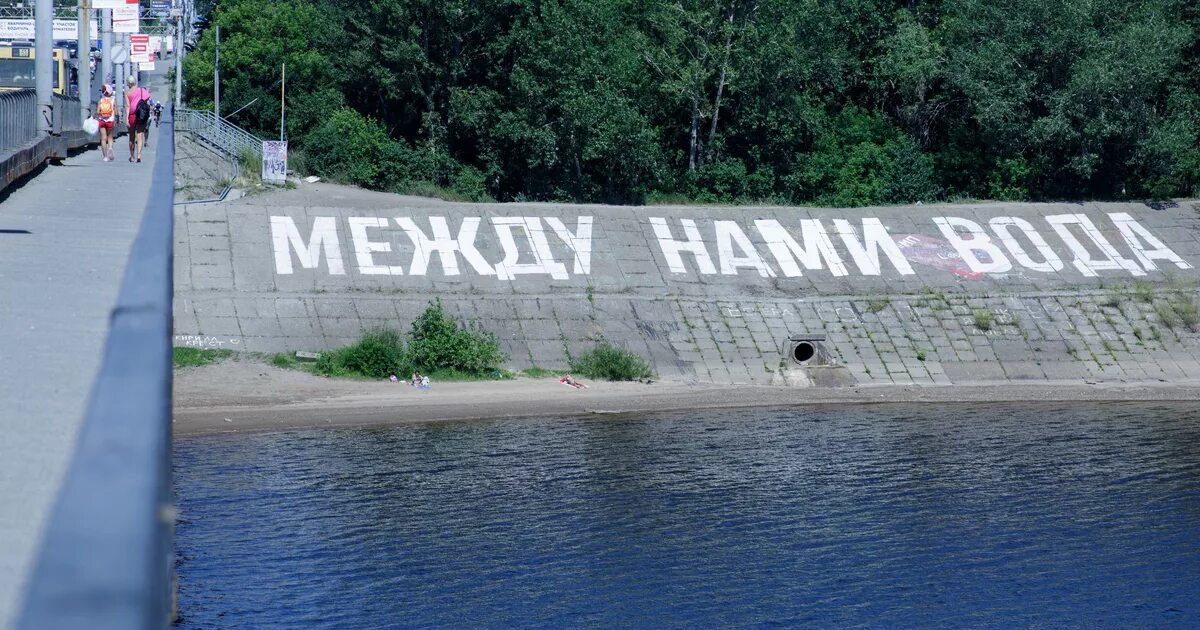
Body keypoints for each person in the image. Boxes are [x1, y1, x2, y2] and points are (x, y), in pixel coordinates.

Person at [125, 75, 150, 163]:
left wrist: (127, 119)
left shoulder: (127, 93)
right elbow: (147, 103)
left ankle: (132, 156)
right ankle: (139, 155)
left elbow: (127, 106)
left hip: (132, 115)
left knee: (131, 136)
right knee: (140, 135)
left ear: (128, 83)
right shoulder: (142, 90)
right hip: (141, 115)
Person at [95, 84, 117, 162]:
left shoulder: (101, 100)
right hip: (110, 121)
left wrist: (97, 115)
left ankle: (105, 156)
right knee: (110, 137)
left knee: (103, 138)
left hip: (102, 121)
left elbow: (98, 112)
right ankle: (110, 148)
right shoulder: (113, 100)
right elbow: (116, 112)